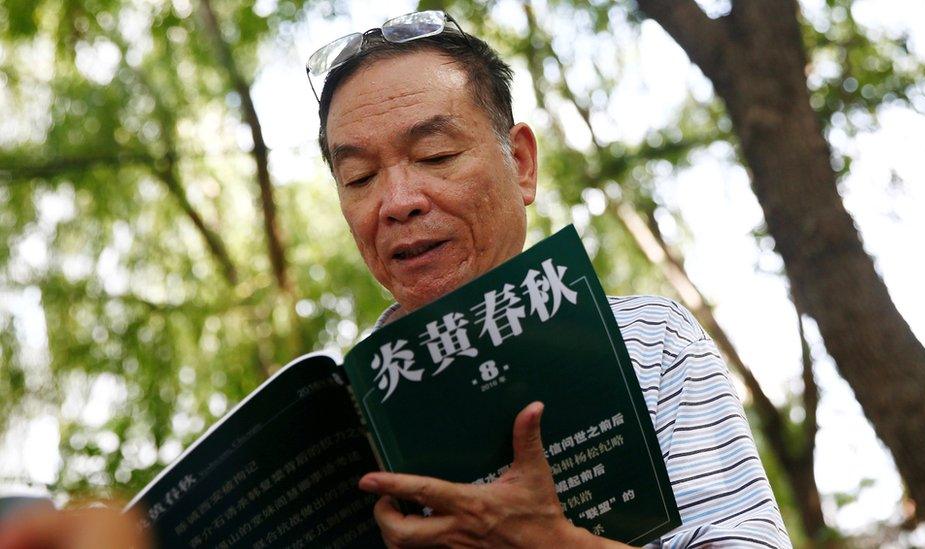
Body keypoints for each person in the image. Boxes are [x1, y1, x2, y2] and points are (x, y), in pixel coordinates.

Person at [310, 9, 792, 549]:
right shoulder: (336, 431)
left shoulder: (650, 343)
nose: (398, 202)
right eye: (360, 177)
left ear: (520, 163)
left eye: (435, 155)